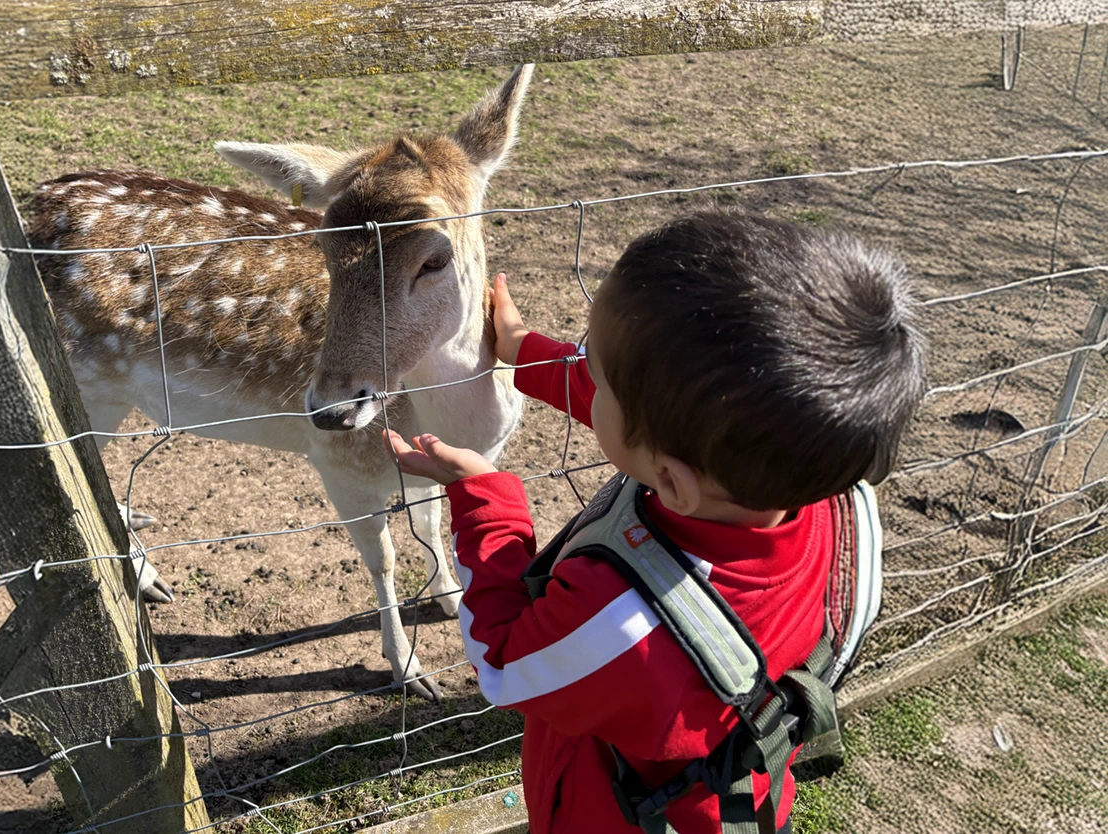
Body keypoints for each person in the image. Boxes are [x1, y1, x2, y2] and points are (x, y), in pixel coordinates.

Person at [386, 211, 925, 833]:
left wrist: (486, 500)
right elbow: (675, 420)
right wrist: (523, 351)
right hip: (745, 797)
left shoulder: (622, 617)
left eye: (599, 370)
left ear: (670, 480)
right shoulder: (830, 502)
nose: (588, 371)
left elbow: (504, 665)